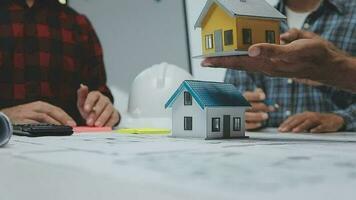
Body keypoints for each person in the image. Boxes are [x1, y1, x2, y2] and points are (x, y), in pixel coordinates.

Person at [204, 0, 356, 133]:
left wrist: (343, 119)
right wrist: (234, 113)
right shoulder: (250, 18)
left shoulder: (352, 14)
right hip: (263, 153)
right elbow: (233, 100)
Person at [0, 0, 120, 127]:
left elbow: (99, 91)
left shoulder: (78, 24)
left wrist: (102, 110)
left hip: (70, 142)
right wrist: (3, 118)